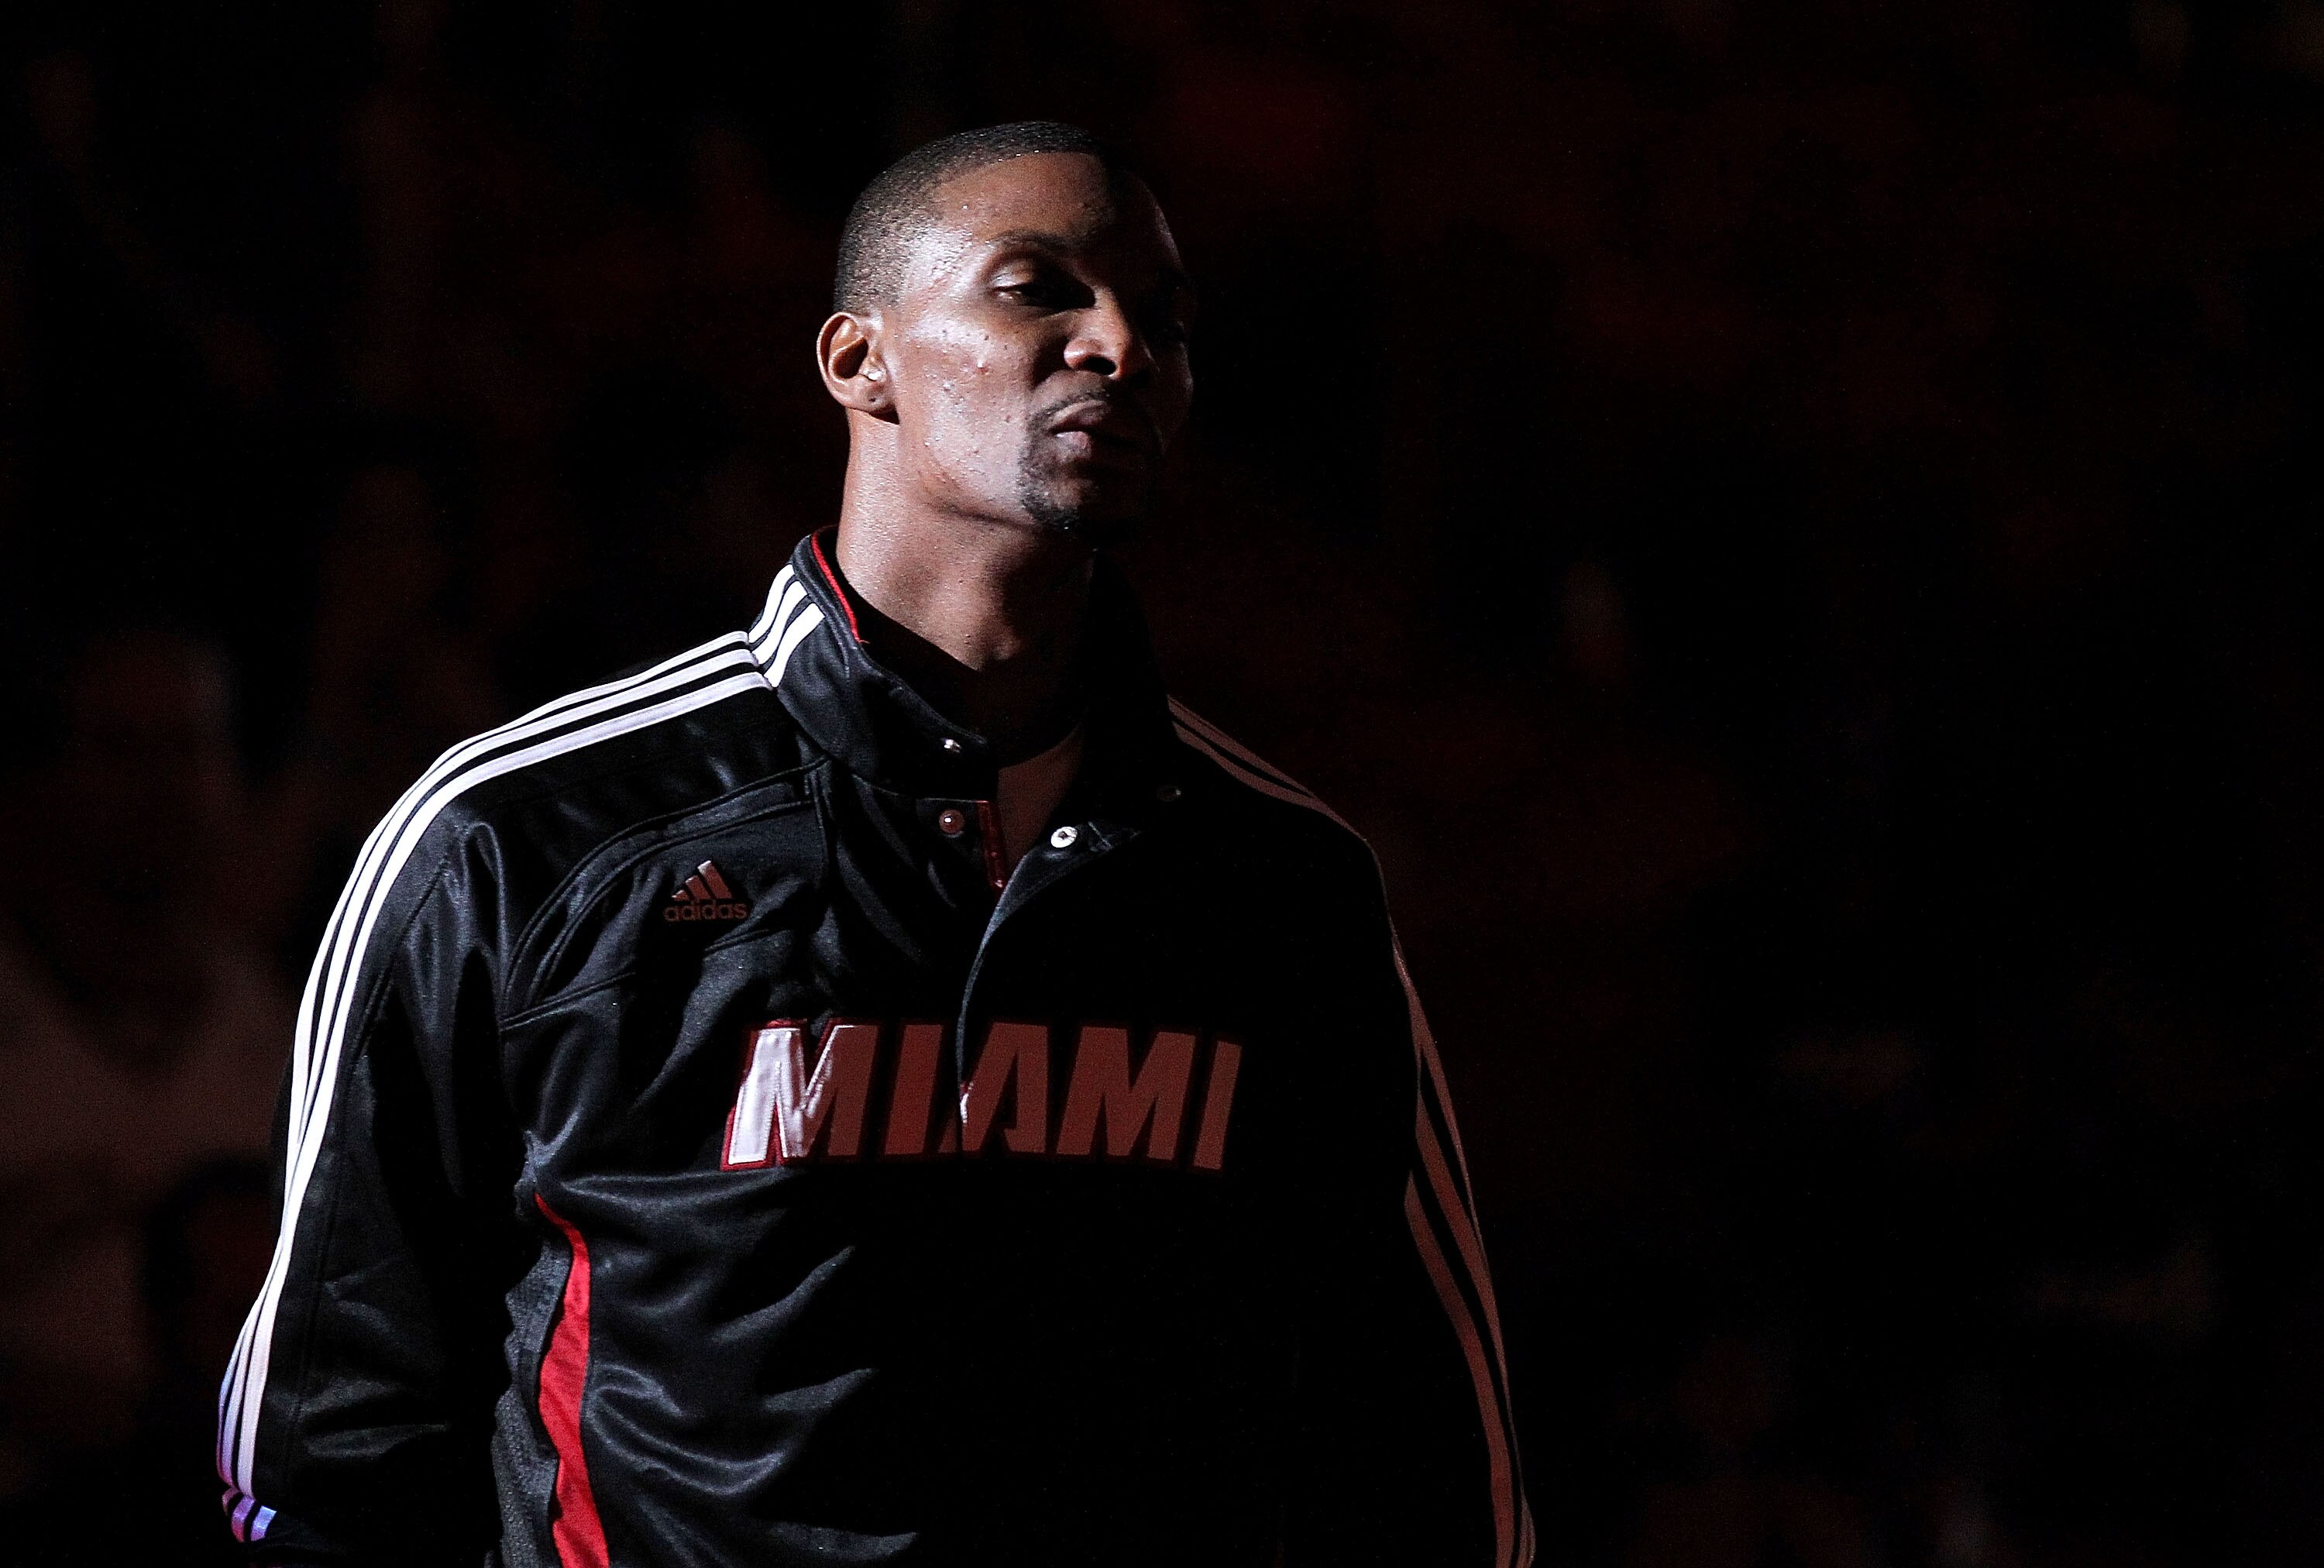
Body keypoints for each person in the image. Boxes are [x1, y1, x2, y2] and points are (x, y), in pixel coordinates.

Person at [218, 122, 1532, 1566]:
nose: (1118, 346)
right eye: (1039, 287)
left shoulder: (1287, 885)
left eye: (1161, 317)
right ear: (861, 360)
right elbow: (328, 1448)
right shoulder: (521, 838)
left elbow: (1424, 1460)